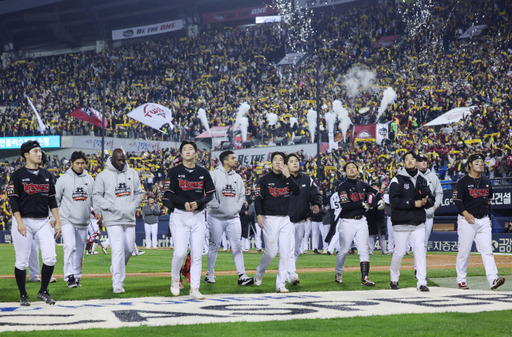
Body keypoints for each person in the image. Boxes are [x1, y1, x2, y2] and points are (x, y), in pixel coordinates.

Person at [7, 140, 62, 306]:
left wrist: (58, 221)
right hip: (23, 220)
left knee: (51, 257)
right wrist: (19, 222)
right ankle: (23, 294)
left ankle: (43, 291)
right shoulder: (16, 176)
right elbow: (13, 201)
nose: (39, 154)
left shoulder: (47, 175)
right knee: (22, 260)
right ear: (26, 155)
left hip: (43, 221)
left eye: (40, 151)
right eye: (36, 151)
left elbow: (52, 201)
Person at [164, 140, 215, 300]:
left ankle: (194, 288)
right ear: (180, 153)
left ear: (195, 153)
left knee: (197, 255)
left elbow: (210, 194)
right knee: (179, 253)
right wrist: (183, 203)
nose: (187, 151)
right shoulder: (173, 172)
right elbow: (168, 194)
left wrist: (198, 203)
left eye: (191, 149)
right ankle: (174, 278)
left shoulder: (204, 172)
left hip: (198, 216)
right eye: (184, 149)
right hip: (179, 215)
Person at [92, 148, 143, 294]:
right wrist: (110, 207)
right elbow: (96, 196)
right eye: (118, 160)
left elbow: (139, 192)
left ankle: (116, 269)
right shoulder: (103, 176)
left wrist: (133, 206)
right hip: (112, 217)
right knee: (118, 250)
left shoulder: (132, 173)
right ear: (112, 159)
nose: (121, 163)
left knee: (129, 249)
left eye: (123, 160)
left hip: (129, 217)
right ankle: (118, 283)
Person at [453, 153, 505, 290]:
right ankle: (461, 280)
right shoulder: (463, 182)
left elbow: (488, 200)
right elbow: (457, 200)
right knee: (464, 251)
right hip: (467, 220)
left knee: (487, 251)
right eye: (477, 162)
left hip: (483, 220)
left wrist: (489, 217)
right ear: (470, 165)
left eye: (482, 162)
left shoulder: (486, 181)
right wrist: (465, 213)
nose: (481, 164)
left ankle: (493, 279)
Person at [253, 152, 300, 293]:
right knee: (271, 252)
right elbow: (257, 198)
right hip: (270, 218)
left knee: (285, 252)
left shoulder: (288, 178)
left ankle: (280, 284)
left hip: (285, 219)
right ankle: (260, 271)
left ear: (285, 163)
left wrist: (288, 176)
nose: (278, 162)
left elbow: (297, 191)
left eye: (281, 159)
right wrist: (259, 215)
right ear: (271, 163)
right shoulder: (264, 180)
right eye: (275, 159)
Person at [205, 150, 254, 286]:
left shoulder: (237, 177)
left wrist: (236, 209)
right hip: (215, 216)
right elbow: (208, 193)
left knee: (236, 246)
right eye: (232, 158)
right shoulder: (213, 174)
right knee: (214, 245)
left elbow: (241, 196)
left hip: (233, 217)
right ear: (225, 161)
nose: (235, 160)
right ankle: (209, 275)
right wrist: (218, 207)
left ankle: (242, 275)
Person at [389, 151, 433, 292]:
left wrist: (426, 202)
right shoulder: (397, 180)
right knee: (400, 253)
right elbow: (394, 202)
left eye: (412, 158)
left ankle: (421, 281)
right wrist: (413, 203)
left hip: (418, 222)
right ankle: (394, 277)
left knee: (420, 251)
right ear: (403, 162)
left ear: (416, 161)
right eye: (406, 159)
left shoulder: (422, 179)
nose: (409, 161)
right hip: (401, 222)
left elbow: (430, 198)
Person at [334, 162, 383, 286]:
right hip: (347, 222)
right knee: (344, 250)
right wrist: (361, 204)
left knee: (364, 249)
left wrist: (381, 199)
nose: (351, 170)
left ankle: (365, 277)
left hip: (361, 221)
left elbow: (376, 192)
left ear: (357, 170)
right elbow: (345, 205)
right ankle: (338, 272)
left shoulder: (362, 184)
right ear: (345, 172)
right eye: (348, 168)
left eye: (354, 168)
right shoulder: (342, 186)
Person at [54, 151, 96, 288]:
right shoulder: (63, 179)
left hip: (83, 221)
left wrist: (99, 212)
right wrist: (55, 218)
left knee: (79, 250)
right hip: (67, 219)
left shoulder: (90, 179)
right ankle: (69, 276)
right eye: (77, 163)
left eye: (82, 163)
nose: (80, 166)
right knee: (69, 247)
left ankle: (77, 276)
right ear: (71, 163)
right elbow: (55, 199)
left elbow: (95, 199)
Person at [286, 153, 322, 286]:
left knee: (296, 250)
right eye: (291, 161)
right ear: (286, 165)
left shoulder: (307, 179)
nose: (295, 163)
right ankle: (292, 274)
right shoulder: (282, 179)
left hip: (301, 219)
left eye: (296, 161)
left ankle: (288, 273)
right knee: (289, 248)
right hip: (286, 220)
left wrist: (317, 204)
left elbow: (315, 193)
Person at [28, 151, 57, 284]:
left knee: (49, 248)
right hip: (28, 217)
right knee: (32, 248)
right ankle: (34, 275)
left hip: (44, 217)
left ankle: (48, 275)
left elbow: (52, 199)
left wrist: (53, 217)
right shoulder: (25, 175)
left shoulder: (48, 176)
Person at [417, 153, 443, 248]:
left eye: (425, 160)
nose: (424, 162)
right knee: (414, 241)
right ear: (416, 163)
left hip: (429, 211)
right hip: (415, 211)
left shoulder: (433, 176)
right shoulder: (413, 175)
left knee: (424, 241)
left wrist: (435, 207)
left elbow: (439, 193)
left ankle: (420, 261)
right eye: (421, 161)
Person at [367, 182, 387, 255]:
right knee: (371, 234)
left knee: (382, 233)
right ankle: (370, 250)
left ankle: (384, 250)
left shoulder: (380, 194)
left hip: (380, 215)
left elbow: (384, 203)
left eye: (375, 187)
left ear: (378, 188)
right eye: (372, 187)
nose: (374, 189)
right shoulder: (369, 195)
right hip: (371, 215)